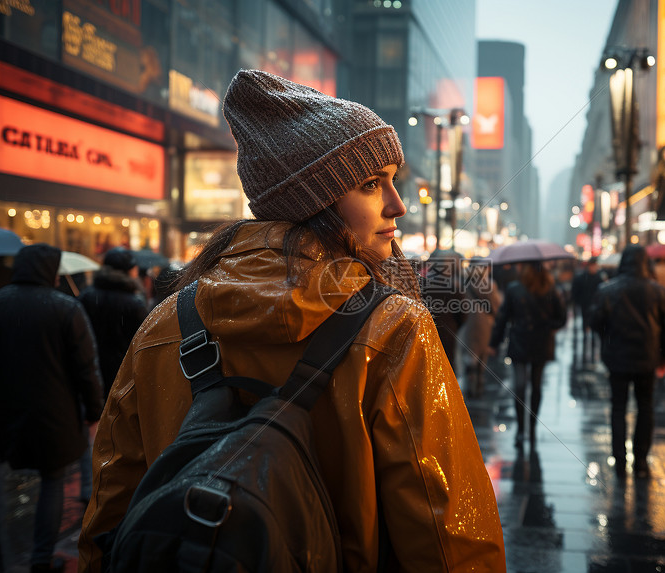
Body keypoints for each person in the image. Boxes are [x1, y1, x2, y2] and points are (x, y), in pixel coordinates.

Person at [78, 70, 505, 573]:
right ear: (313, 201)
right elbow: (445, 533)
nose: (398, 204)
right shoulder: (393, 329)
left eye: (393, 180)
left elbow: (111, 513)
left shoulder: (165, 325)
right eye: (371, 184)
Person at [0, 243, 103, 572]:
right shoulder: (65, 307)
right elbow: (85, 368)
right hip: (55, 412)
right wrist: (93, 408)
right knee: (53, 480)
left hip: (6, 409)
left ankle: (3, 552)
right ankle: (41, 558)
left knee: (1, 478)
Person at [589, 245, 665, 478]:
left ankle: (619, 460)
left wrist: (608, 338)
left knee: (618, 407)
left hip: (617, 357)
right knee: (645, 407)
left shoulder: (608, 290)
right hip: (647, 358)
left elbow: (596, 321)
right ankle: (640, 462)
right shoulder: (658, 291)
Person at [489, 261, 567, 448]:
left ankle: (522, 430)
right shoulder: (549, 288)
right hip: (540, 342)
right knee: (536, 386)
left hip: (520, 340)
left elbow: (503, 318)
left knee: (521, 386)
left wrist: (495, 343)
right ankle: (530, 428)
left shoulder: (516, 288)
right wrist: (549, 327)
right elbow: (561, 318)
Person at [78, 246, 149, 399]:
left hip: (91, 368)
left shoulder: (86, 296)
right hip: (123, 371)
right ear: (130, 271)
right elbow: (144, 340)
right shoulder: (134, 303)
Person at [422, 248, 468, 376]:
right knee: (447, 365)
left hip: (426, 331)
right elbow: (463, 313)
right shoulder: (454, 286)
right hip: (449, 331)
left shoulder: (422, 284)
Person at [460, 258, 501, 398]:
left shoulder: (463, 283)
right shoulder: (489, 284)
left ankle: (469, 381)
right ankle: (478, 382)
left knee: (470, 351)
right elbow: (496, 305)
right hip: (485, 322)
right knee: (482, 352)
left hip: (468, 321)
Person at [570, 259, 605, 365]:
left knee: (594, 329)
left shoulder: (598, 278)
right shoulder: (582, 278)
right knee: (585, 327)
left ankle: (592, 351)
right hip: (585, 306)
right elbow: (576, 292)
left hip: (594, 307)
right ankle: (587, 350)